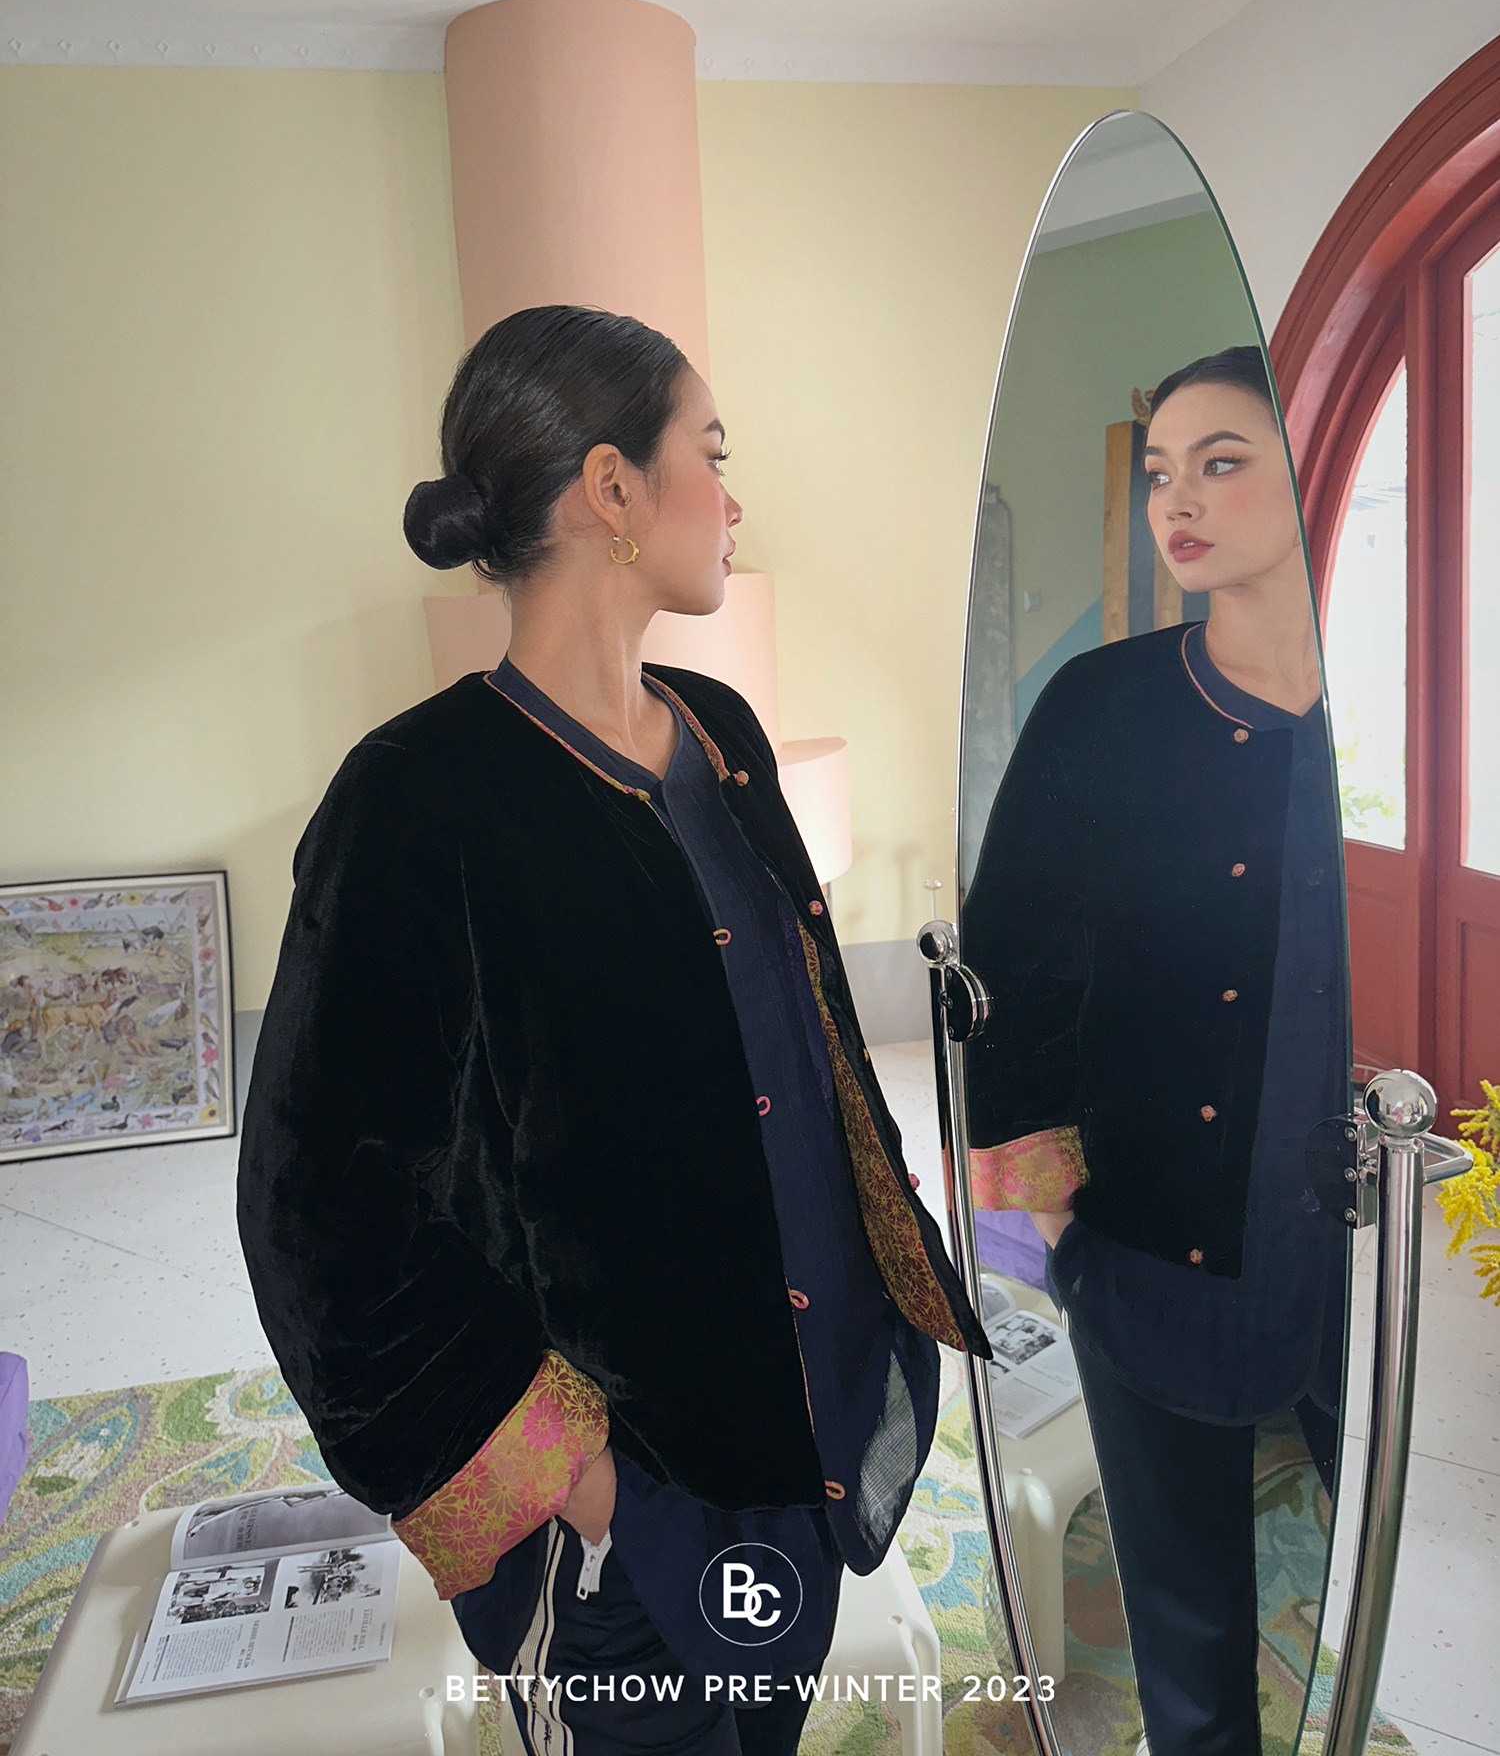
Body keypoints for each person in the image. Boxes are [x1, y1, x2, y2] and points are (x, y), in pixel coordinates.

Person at [237, 305, 992, 1756]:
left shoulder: (719, 730)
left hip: (795, 1438)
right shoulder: (414, 802)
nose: (734, 496)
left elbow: (808, 1056)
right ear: (612, 489)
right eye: (712, 452)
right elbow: (317, 1216)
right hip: (624, 1509)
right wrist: (579, 1486)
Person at [961, 346, 1349, 1756]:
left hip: (1367, 1252)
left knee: (1404, 1564)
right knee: (1189, 1644)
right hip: (1147, 1237)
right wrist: (1057, 1219)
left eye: (1221, 462)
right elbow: (1007, 974)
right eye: (1163, 472)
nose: (1174, 501)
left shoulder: (1405, 711)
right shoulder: (1103, 705)